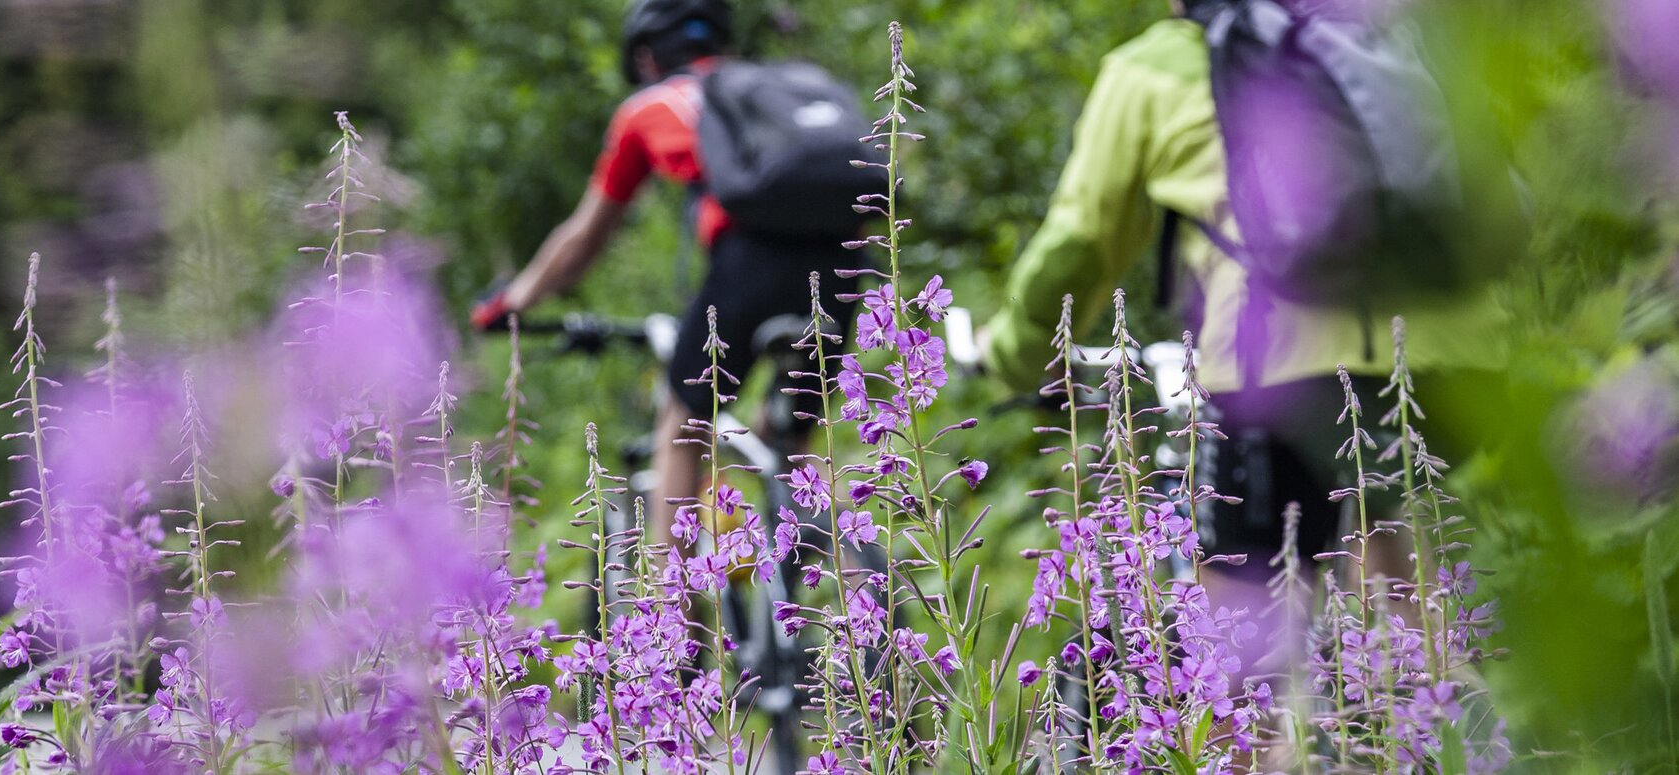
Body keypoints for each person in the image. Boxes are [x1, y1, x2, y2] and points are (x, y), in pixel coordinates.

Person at [980, 0, 1512, 646]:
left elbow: (1081, 245)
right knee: (1418, 619)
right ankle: (1457, 728)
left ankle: (1278, 744)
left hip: (1282, 373)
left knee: (1242, 659)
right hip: (1459, 362)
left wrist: (1012, 355)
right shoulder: (1391, 40)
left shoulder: (1157, 65)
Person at [472, 0, 861, 537]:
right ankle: (869, 595)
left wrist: (512, 301)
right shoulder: (768, 93)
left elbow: (585, 235)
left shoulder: (651, 106)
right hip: (845, 256)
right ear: (723, 44)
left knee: (684, 423)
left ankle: (669, 611)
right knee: (798, 448)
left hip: (748, 264)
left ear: (648, 58)